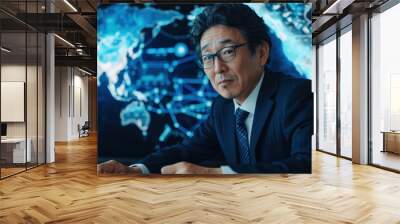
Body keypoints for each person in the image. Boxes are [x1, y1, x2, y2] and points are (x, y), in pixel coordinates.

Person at [98, 3, 313, 175]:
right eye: (208, 57)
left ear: (261, 53)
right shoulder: (222, 108)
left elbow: (305, 164)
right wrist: (136, 169)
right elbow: (188, 150)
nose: (218, 68)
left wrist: (217, 173)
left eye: (228, 51)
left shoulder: (297, 96)